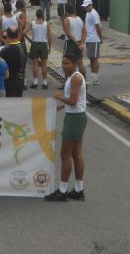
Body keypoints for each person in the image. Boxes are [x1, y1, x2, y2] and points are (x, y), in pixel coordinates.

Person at [45, 54, 87, 202]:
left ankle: (62, 191)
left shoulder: (75, 78)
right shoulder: (71, 77)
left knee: (65, 154)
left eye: (67, 63)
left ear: (75, 64)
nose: (63, 65)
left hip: (75, 118)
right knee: (76, 154)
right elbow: (78, 99)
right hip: (76, 116)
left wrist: (59, 97)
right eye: (62, 63)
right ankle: (78, 189)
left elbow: (74, 101)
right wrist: (64, 105)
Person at [81, 0, 102, 85]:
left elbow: (98, 27)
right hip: (89, 39)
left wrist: (100, 38)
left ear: (90, 5)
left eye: (86, 6)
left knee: (94, 59)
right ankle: (93, 77)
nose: (85, 8)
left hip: (94, 39)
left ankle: (95, 78)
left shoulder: (94, 13)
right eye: (84, 6)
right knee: (91, 59)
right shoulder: (88, 13)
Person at [28, 9, 51, 89]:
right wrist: (49, 47)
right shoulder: (46, 24)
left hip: (34, 44)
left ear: (36, 15)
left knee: (35, 64)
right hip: (43, 44)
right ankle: (45, 82)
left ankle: (35, 82)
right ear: (42, 16)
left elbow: (24, 32)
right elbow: (50, 37)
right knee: (44, 65)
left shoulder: (32, 23)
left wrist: (29, 40)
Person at [0, 27, 25, 97]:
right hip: (21, 79)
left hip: (9, 81)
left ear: (7, 35)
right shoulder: (23, 46)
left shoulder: (6, 50)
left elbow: (0, 66)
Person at [62, 4, 86, 77]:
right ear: (74, 11)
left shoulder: (67, 20)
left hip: (70, 43)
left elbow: (69, 35)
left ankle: (67, 82)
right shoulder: (80, 19)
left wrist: (76, 43)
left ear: (66, 12)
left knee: (66, 62)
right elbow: (85, 32)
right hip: (79, 42)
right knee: (80, 63)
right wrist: (81, 43)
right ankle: (83, 81)